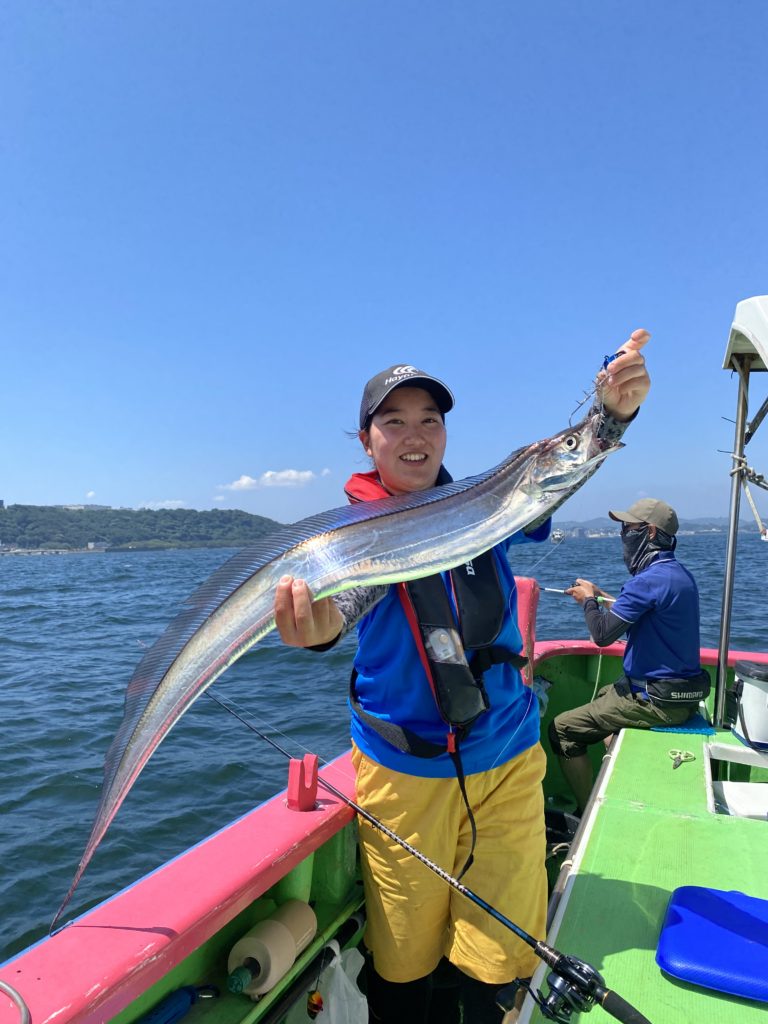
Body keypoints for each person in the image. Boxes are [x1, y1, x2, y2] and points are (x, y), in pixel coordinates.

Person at [274, 336, 651, 1024]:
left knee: (503, 955)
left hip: (507, 758)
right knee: (403, 957)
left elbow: (552, 476)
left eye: (430, 419)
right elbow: (344, 602)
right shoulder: (356, 537)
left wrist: (611, 418)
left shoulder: (485, 505)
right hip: (404, 776)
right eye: (394, 422)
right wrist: (317, 626)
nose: (415, 435)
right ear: (367, 442)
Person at [551, 498, 711, 813]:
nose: (623, 534)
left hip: (655, 702)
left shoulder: (647, 581)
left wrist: (588, 601)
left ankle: (585, 813)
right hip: (680, 697)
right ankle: (617, 784)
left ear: (649, 532)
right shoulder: (679, 575)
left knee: (562, 730)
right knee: (605, 694)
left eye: (628, 527)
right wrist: (599, 595)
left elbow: (602, 635)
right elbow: (642, 609)